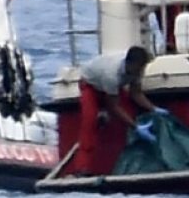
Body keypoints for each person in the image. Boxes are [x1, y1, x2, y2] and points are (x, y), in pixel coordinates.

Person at [69, 46, 169, 176]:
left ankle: (131, 161)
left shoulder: (137, 70)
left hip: (114, 88)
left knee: (130, 113)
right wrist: (135, 127)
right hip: (91, 86)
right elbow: (114, 106)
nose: (141, 71)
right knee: (90, 122)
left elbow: (136, 93)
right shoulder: (111, 74)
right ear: (130, 64)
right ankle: (81, 168)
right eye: (139, 67)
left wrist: (153, 108)